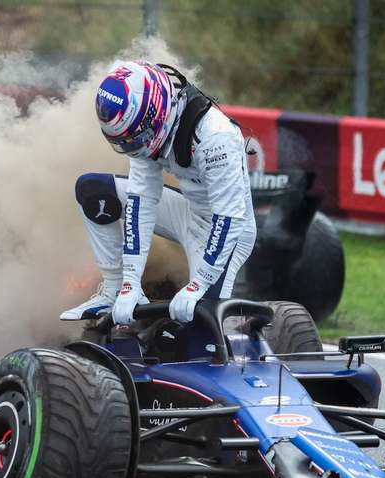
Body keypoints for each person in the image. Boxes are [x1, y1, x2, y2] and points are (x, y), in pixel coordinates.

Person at [60, 60, 256, 324]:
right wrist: (129, 283)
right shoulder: (143, 125)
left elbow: (230, 218)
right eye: (125, 142)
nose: (134, 147)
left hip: (228, 229)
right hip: (189, 211)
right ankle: (112, 289)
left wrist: (199, 284)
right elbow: (141, 204)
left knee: (200, 327)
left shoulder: (216, 138)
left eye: (137, 138)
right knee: (93, 190)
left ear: (159, 112)